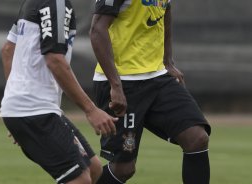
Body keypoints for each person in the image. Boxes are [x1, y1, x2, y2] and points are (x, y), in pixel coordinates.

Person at [89, 0, 211, 184]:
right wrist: (115, 85)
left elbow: (166, 10)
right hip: (122, 81)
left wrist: (167, 61)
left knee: (197, 138)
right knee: (123, 169)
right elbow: (97, 30)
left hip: (158, 78)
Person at [0, 0, 118, 184]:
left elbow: (8, 50)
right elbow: (55, 60)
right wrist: (91, 110)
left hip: (30, 109)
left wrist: (15, 102)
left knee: (93, 169)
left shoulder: (32, 3)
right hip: (35, 110)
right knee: (80, 179)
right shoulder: (56, 4)